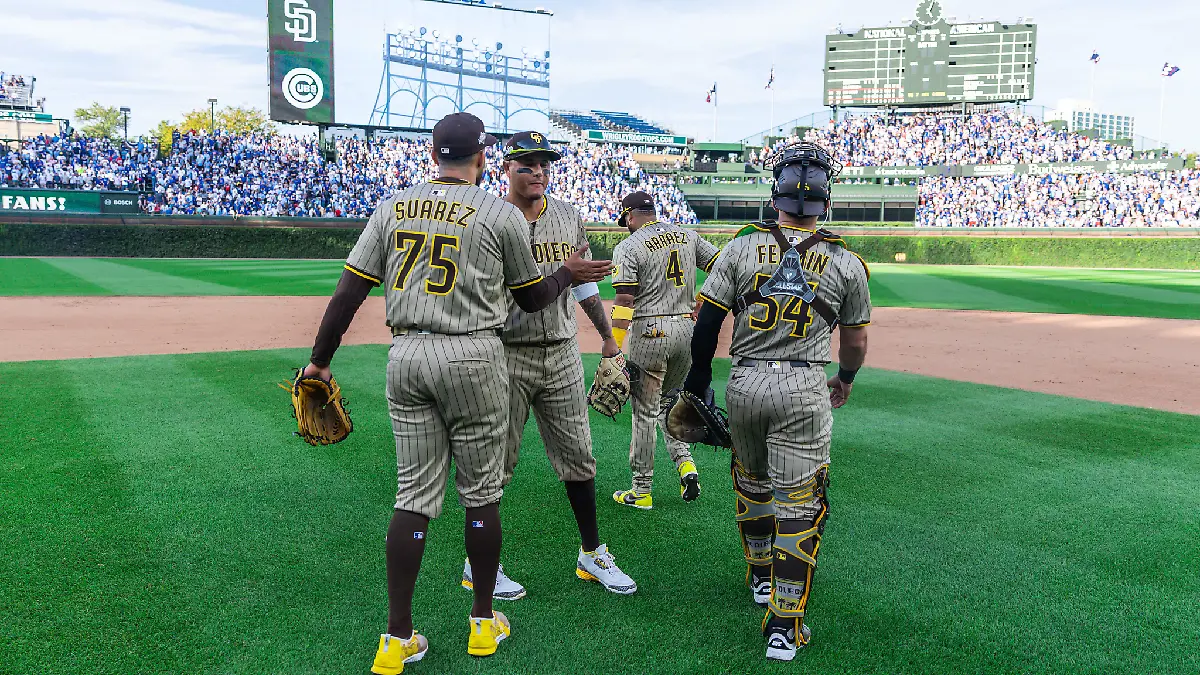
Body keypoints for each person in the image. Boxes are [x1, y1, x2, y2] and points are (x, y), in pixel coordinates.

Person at [298, 112, 612, 674]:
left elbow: (348, 291)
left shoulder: (392, 205)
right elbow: (533, 299)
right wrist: (566, 273)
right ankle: (482, 621)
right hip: (474, 354)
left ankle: (396, 639)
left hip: (407, 355)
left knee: (412, 496)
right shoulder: (497, 211)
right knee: (482, 492)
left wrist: (320, 361)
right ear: (485, 158)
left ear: (432, 154)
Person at [682, 142, 871, 661]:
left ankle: (761, 578)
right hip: (805, 386)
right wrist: (845, 378)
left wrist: (699, 382)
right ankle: (785, 625)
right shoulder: (846, 261)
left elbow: (706, 324)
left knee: (752, 482)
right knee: (801, 505)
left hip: (745, 383)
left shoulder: (740, 248)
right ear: (826, 202)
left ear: (774, 197)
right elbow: (855, 341)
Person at [461, 131, 638, 599]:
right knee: (495, 463)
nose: (538, 171)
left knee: (579, 456)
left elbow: (583, 285)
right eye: (527, 163)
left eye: (544, 163)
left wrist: (607, 338)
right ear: (506, 169)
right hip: (506, 352)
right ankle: (479, 563)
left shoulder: (567, 215)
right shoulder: (486, 217)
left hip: (561, 352)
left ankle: (592, 553)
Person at [608, 191, 720, 509]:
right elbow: (724, 267)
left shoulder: (628, 246)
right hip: (686, 331)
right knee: (669, 404)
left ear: (630, 216)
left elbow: (625, 301)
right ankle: (686, 466)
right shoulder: (687, 235)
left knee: (644, 413)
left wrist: (614, 345)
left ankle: (641, 491)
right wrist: (703, 300)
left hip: (650, 332)